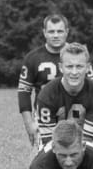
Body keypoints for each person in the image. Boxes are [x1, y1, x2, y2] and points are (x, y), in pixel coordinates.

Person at [17, 14, 70, 147]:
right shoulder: (32, 58)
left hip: (73, 116)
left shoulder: (79, 55)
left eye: (60, 31)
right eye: (51, 31)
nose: (56, 35)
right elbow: (23, 92)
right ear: (44, 33)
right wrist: (29, 124)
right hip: (44, 117)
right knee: (46, 160)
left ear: (67, 32)